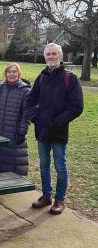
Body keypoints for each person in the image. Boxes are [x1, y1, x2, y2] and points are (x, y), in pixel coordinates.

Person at [28, 43, 83, 215]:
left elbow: (77, 107)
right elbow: (30, 101)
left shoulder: (70, 78)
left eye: (54, 54)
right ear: (45, 57)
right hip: (42, 131)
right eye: (48, 54)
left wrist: (57, 121)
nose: (51, 57)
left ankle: (60, 199)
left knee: (60, 166)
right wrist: (35, 118)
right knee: (44, 164)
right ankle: (46, 196)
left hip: (58, 131)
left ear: (60, 56)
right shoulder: (42, 77)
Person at [0, 63, 31, 175]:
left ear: (19, 73)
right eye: (9, 71)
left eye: (14, 71)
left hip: (14, 133)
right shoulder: (1, 88)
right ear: (6, 73)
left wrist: (22, 132)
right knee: (1, 161)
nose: (11, 74)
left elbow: (27, 114)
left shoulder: (25, 91)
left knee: (14, 163)